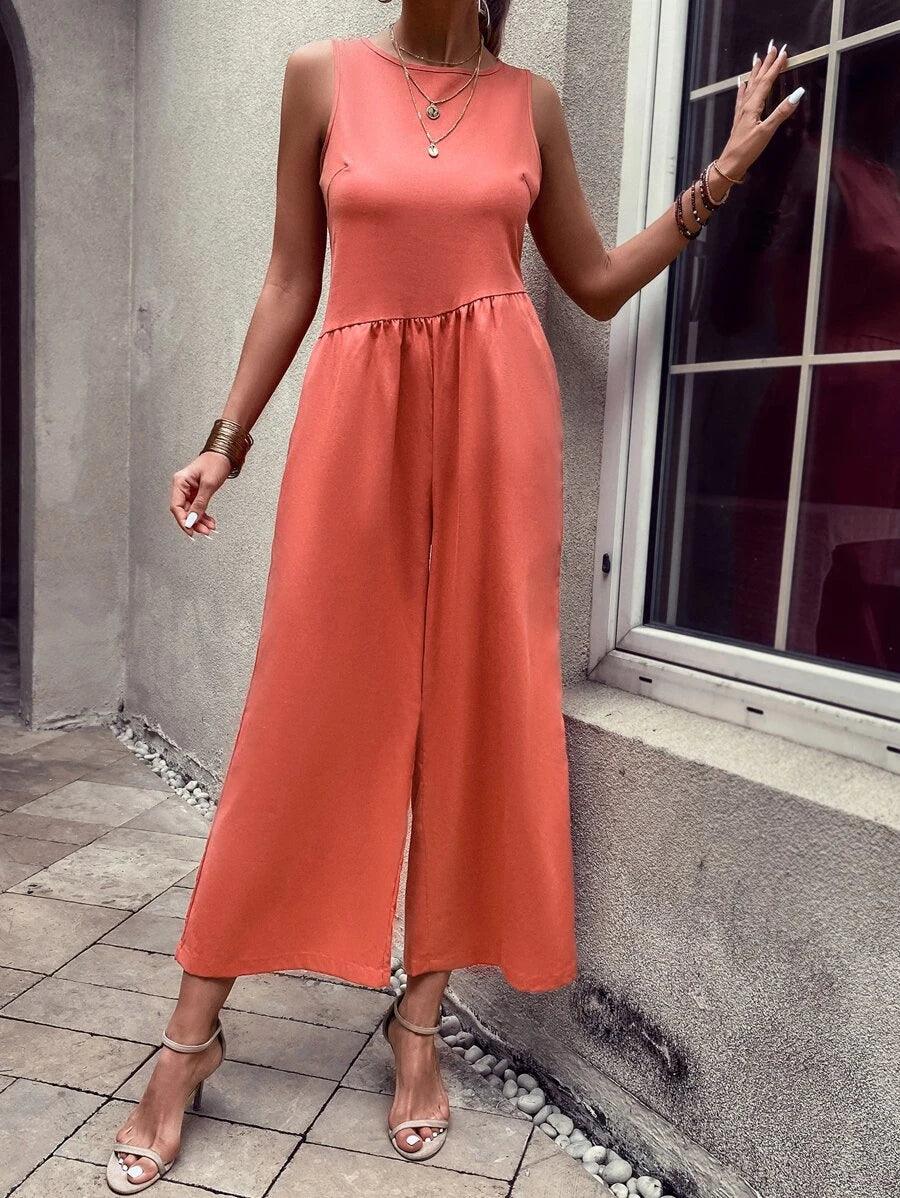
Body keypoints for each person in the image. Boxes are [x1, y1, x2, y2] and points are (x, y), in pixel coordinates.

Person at [107, 3, 801, 1190]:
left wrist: (720, 179)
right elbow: (290, 277)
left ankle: (417, 1021)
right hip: (357, 415)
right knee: (301, 708)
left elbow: (591, 283)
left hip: (497, 421)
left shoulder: (531, 103)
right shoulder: (320, 77)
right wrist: (227, 440)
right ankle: (190, 1034)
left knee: (473, 710)